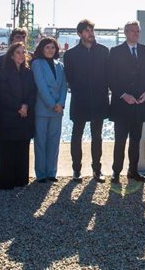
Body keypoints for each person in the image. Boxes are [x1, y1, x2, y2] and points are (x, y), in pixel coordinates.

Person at [108, 21, 145, 184]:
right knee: (120, 140)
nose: (136, 34)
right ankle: (116, 172)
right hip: (121, 105)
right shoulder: (115, 52)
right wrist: (123, 95)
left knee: (136, 141)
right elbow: (110, 79)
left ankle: (133, 171)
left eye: (138, 32)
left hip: (140, 105)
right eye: (133, 31)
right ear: (126, 32)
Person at [63, 19, 110, 182]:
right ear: (80, 33)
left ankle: (97, 169)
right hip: (80, 101)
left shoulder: (104, 51)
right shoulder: (70, 55)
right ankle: (76, 170)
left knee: (97, 136)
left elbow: (108, 75)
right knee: (76, 136)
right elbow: (69, 78)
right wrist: (79, 89)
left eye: (92, 30)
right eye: (87, 30)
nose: (91, 33)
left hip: (99, 101)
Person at [0, 42, 36, 189]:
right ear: (11, 55)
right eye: (18, 52)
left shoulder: (28, 71)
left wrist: (26, 105)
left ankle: (21, 179)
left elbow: (33, 91)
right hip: (8, 116)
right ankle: (7, 181)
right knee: (7, 149)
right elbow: (3, 93)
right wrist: (18, 107)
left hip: (24, 116)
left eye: (23, 52)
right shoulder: (4, 71)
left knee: (22, 148)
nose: (21, 55)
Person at [30, 37, 68, 182]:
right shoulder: (36, 64)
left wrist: (61, 103)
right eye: (47, 47)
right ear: (41, 49)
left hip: (58, 110)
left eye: (53, 47)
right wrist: (53, 104)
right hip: (43, 109)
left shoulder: (60, 65)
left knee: (54, 142)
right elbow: (41, 86)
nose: (50, 50)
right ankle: (41, 173)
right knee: (41, 142)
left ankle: (51, 172)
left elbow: (64, 86)